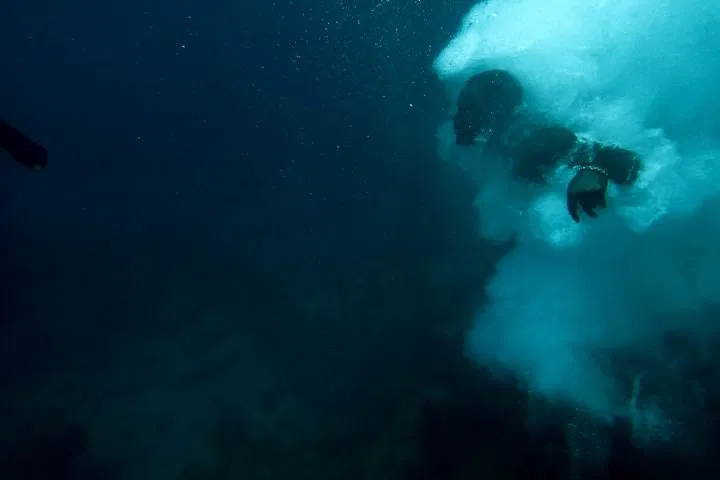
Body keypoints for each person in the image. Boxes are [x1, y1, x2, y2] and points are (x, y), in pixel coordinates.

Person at [452, 69, 641, 223]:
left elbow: (625, 161)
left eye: (467, 109)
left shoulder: (530, 138)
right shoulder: (513, 146)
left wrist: (594, 169)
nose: (457, 118)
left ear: (492, 111)